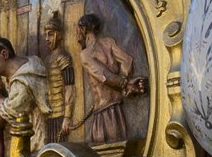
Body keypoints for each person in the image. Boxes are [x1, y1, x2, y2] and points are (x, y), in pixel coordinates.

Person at [76, 13, 146, 144]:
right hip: (117, 109)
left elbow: (103, 75)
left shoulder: (85, 54)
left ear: (83, 29)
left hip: (104, 112)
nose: (77, 35)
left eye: (78, 30)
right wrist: (125, 81)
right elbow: (127, 60)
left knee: (105, 156)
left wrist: (125, 84)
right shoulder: (108, 43)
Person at [43, 12, 76, 143]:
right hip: (48, 114)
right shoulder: (46, 60)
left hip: (60, 115)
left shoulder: (63, 58)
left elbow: (70, 88)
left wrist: (67, 117)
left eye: (50, 34)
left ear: (60, 35)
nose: (47, 38)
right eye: (46, 35)